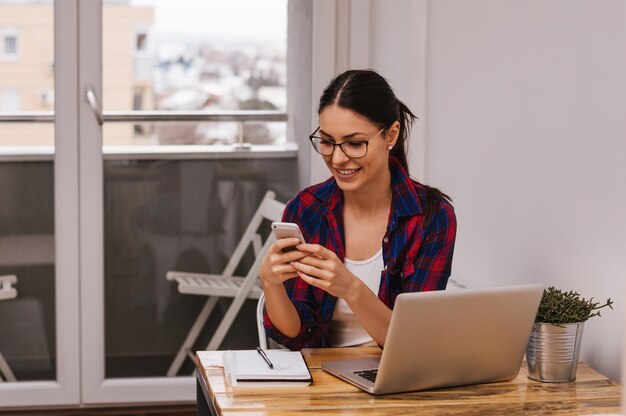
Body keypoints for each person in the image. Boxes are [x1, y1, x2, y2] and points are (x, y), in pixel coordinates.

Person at [260, 69, 457, 350]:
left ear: (391, 135)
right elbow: (297, 335)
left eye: (354, 143)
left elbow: (414, 344)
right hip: (323, 380)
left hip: (397, 377)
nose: (338, 158)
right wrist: (270, 283)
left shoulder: (433, 217)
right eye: (327, 142)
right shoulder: (305, 210)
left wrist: (350, 288)